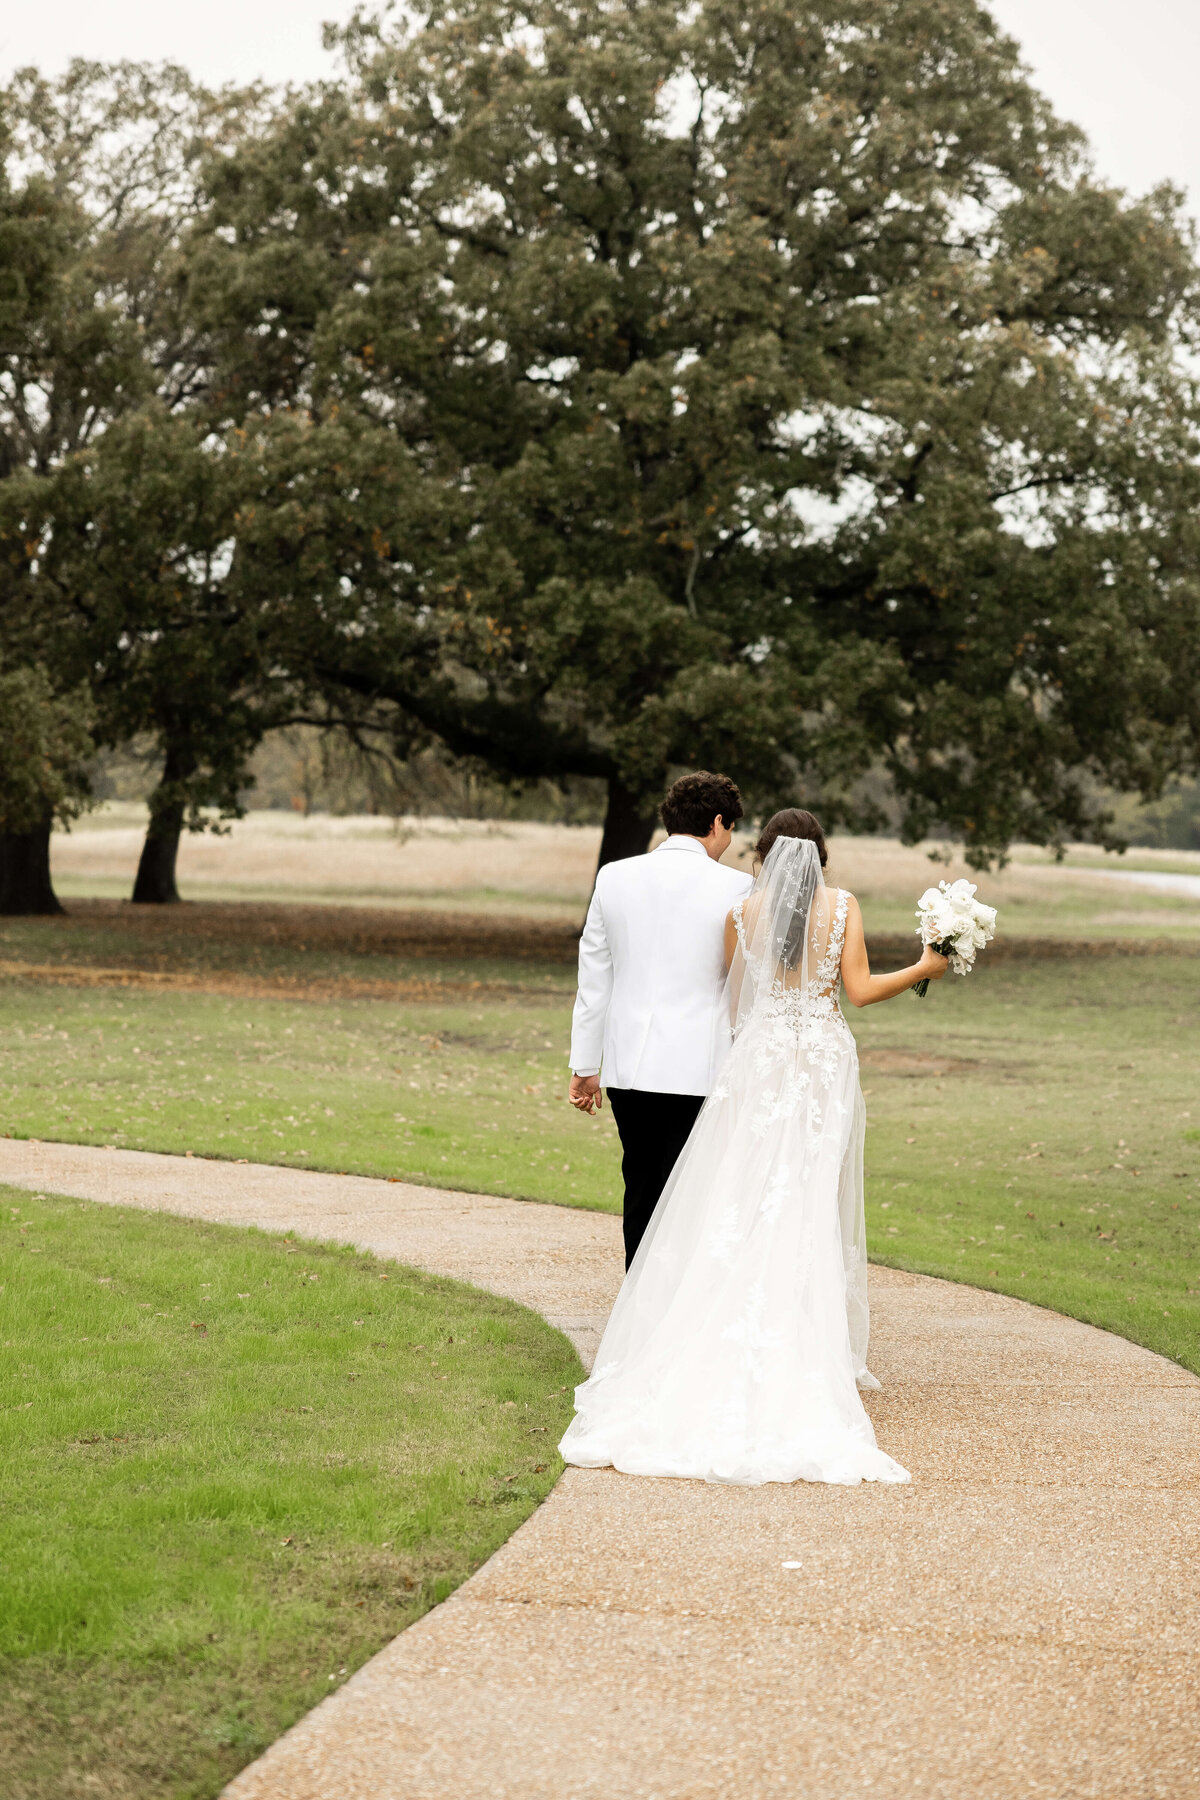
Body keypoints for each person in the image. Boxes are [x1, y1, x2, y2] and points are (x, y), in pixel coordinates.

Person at [560, 807, 949, 1487]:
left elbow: (736, 1003)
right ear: (822, 856)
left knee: (744, 1197)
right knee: (804, 1199)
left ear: (764, 855)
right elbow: (858, 992)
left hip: (762, 1062)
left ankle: (711, 1338)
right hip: (821, 1065)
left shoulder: (743, 913)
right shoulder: (845, 905)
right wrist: (923, 968)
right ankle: (804, 1347)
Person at [569, 770, 753, 1269]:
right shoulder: (740, 887)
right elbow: (746, 983)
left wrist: (586, 1066)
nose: (730, 840)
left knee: (642, 1184)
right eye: (731, 828)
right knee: (692, 1195)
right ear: (717, 823)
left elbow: (594, 981)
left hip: (629, 1066)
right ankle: (673, 1311)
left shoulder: (614, 876)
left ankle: (637, 1301)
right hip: (701, 1066)